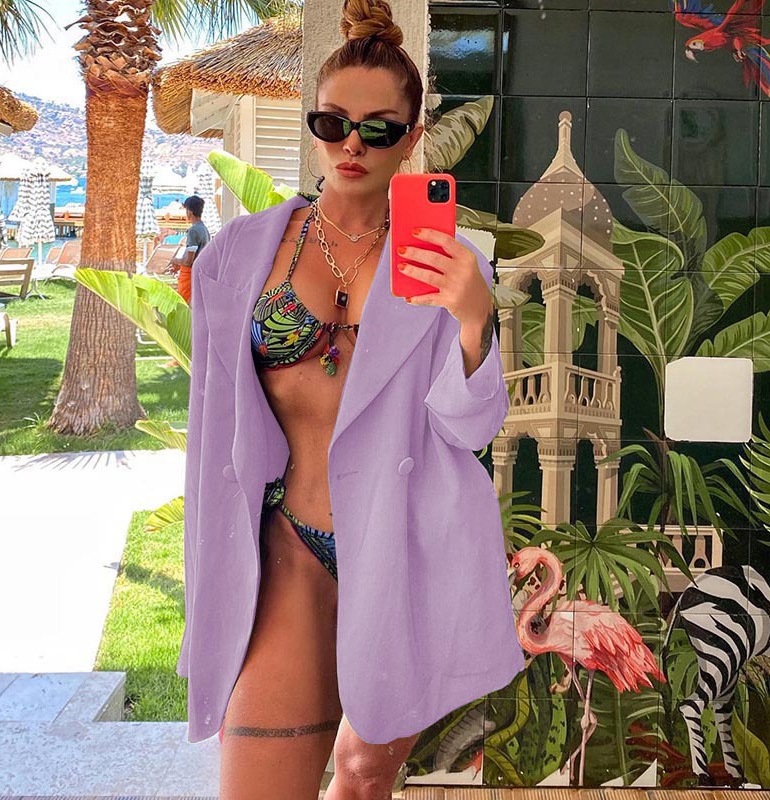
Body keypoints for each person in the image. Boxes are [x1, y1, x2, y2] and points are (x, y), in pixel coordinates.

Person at [178, 1, 523, 798]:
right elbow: (210, 430)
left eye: (377, 128)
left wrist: (474, 321)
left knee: (364, 778)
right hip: (287, 545)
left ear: (411, 136)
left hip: (405, 545)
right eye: (332, 124)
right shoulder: (240, 254)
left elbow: (469, 428)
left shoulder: (452, 262)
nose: (352, 146)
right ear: (314, 127)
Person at [169, 194, 211, 305]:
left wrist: (173, 260)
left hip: (190, 276)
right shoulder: (204, 229)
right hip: (198, 274)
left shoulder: (193, 230)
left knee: (185, 308)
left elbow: (188, 261)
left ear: (190, 212)